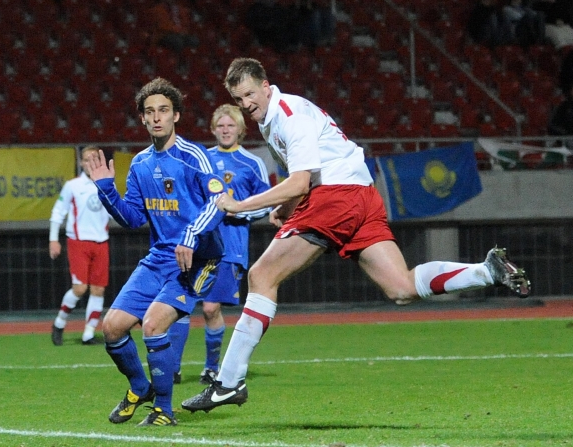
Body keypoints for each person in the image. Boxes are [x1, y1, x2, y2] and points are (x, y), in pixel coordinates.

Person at [181, 57, 532, 413]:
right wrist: (285, 208)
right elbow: (303, 180)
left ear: (267, 86)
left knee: (261, 275)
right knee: (401, 287)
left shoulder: (289, 116)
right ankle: (487, 271)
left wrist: (239, 206)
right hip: (360, 194)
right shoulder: (274, 117)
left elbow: (301, 182)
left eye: (250, 94)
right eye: (239, 99)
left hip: (337, 197)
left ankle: (227, 383)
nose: (246, 104)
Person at [89, 77, 227, 427]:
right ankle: (140, 386)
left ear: (176, 115)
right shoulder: (139, 164)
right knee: (112, 328)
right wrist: (106, 190)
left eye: (163, 110)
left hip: (198, 259)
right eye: (149, 112)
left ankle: (164, 409)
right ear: (143, 119)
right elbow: (133, 218)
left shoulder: (194, 156)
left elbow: (219, 202)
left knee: (152, 325)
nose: (156, 118)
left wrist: (191, 235)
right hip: (160, 257)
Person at [170, 104, 270, 386]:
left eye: (231, 125)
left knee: (211, 308)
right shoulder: (202, 159)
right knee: (180, 304)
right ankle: (173, 368)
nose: (226, 130)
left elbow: (267, 202)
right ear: (213, 129)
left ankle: (211, 367)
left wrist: (240, 211)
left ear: (240, 129)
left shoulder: (252, 163)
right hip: (199, 243)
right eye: (221, 126)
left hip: (230, 247)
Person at [48, 145, 112, 346]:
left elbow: (114, 211)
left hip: (101, 242)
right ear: (81, 163)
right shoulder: (73, 186)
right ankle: (59, 322)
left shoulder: (107, 185)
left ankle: (89, 333)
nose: (89, 162)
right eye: (86, 159)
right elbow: (58, 212)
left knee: (98, 290)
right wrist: (53, 239)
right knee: (79, 288)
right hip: (78, 242)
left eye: (94, 158)